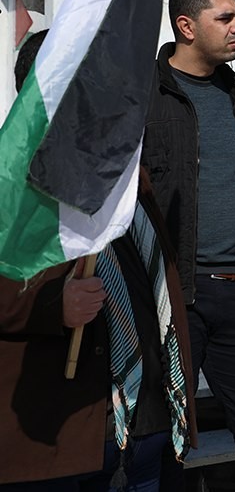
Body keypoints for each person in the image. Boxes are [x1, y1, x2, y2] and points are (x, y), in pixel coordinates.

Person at [2, 31, 196, 490]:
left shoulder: (123, 173)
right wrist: (52, 305)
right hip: (58, 436)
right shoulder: (10, 180)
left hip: (144, 423)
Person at [143, 0, 235, 491]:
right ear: (186, 26)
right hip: (170, 296)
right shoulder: (144, 95)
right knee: (166, 438)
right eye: (225, 17)